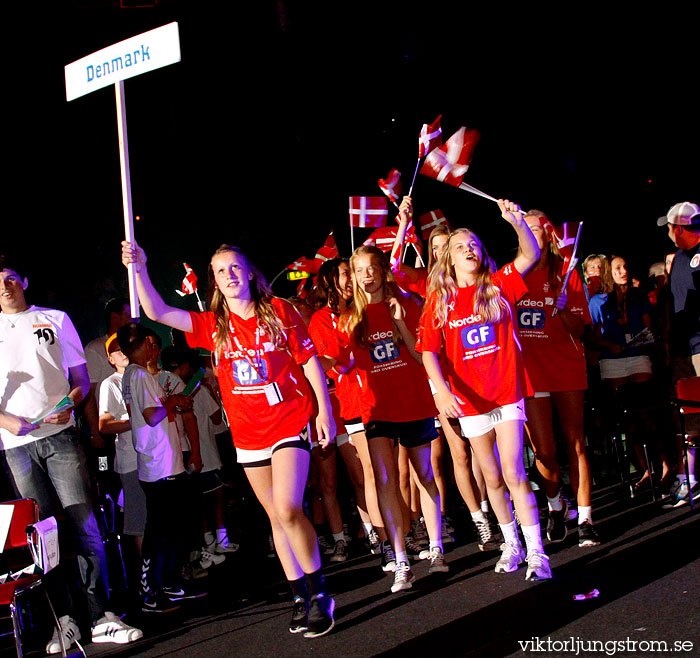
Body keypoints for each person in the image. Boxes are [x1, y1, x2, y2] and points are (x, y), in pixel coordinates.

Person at [121, 241, 336, 638]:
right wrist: (141, 268)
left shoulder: (280, 312)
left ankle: (320, 592)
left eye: (235, 267)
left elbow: (309, 361)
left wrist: (324, 410)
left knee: (289, 508)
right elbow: (158, 311)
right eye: (220, 271)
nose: (229, 275)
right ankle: (299, 596)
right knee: (275, 515)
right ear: (215, 283)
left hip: (290, 421)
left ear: (251, 273)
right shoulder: (213, 325)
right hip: (249, 433)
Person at [0, 264, 143, 653]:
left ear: (24, 281)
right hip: (16, 447)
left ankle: (101, 617)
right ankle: (64, 620)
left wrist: (70, 404)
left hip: (61, 436)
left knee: (85, 525)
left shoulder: (55, 319)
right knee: (44, 537)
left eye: (11, 278)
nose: (4, 286)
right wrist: (4, 419)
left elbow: (80, 381)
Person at [419, 200, 552, 581]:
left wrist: (515, 222)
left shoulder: (498, 285)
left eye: (474, 243)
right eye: (460, 246)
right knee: (491, 478)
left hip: (507, 392)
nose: (469, 249)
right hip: (470, 402)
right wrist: (441, 392)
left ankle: (537, 553)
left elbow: (531, 252)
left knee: (513, 471)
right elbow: (428, 351)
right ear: (449, 259)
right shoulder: (439, 301)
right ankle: (511, 543)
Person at [335, 245, 447, 593]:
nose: (367, 275)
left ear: (383, 271)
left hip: (413, 402)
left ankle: (436, 548)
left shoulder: (410, 305)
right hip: (376, 409)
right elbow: (340, 365)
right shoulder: (349, 319)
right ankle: (400, 559)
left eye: (372, 268)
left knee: (424, 474)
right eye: (360, 270)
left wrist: (399, 321)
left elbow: (421, 355)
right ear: (353, 278)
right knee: (384, 480)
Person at [517, 211, 600, 547]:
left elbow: (581, 330)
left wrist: (565, 309)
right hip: (531, 374)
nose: (531, 234)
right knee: (544, 452)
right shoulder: (512, 276)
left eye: (537, 230)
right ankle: (555, 503)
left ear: (549, 236)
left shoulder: (566, 274)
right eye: (525, 230)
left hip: (566, 367)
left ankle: (585, 518)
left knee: (575, 442)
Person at [658, 201, 700, 506]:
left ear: (680, 227)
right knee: (690, 416)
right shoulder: (681, 260)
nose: (670, 233)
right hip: (685, 349)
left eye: (671, 227)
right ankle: (691, 479)